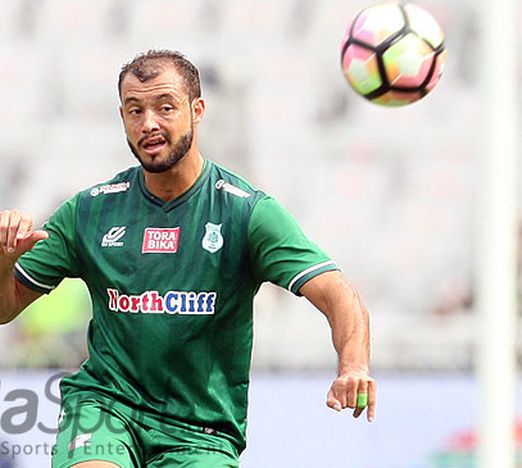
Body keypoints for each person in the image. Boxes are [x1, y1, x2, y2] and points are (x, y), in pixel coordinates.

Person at [0, 49, 376, 468]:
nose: (149, 124)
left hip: (201, 432)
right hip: (106, 408)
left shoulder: (246, 213)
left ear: (197, 110)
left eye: (165, 107)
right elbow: (5, 308)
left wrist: (353, 366)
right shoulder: (89, 211)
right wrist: (2, 262)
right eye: (134, 110)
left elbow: (337, 292)